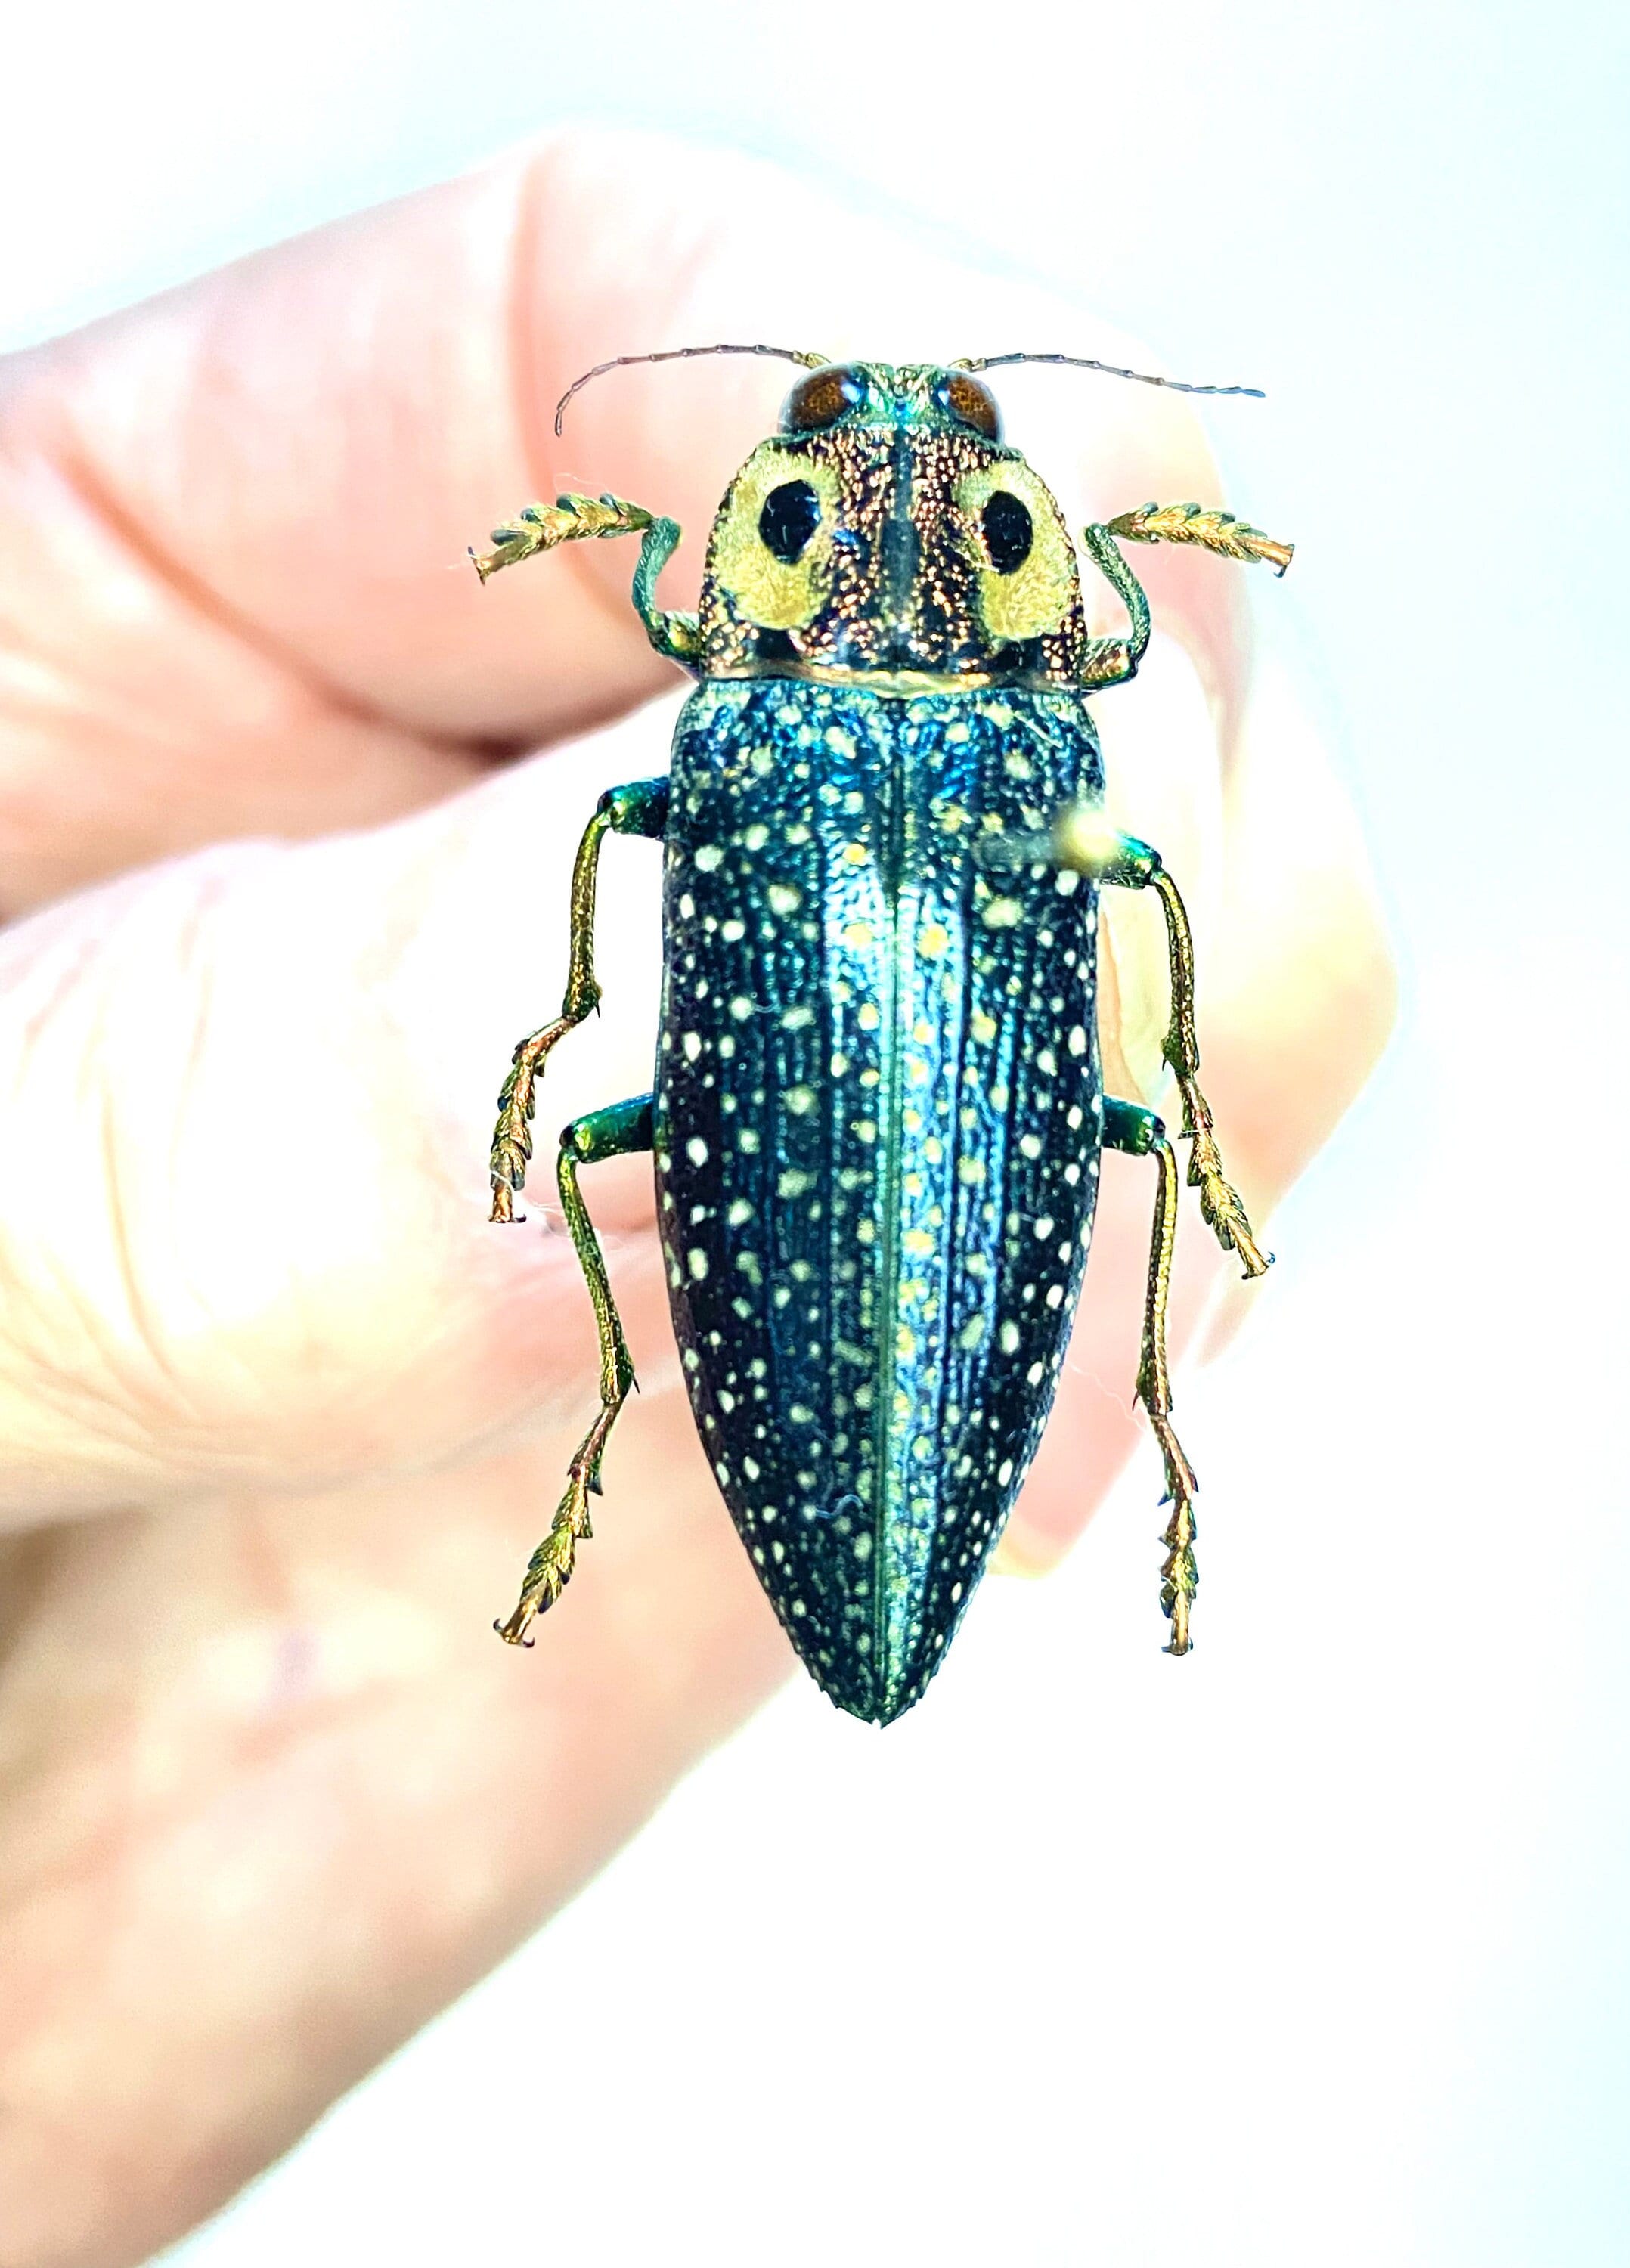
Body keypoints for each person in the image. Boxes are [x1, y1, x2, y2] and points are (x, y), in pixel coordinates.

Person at [0, 125, 1392, 2266]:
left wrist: (576, 996)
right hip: (939, 1226)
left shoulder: (739, 735)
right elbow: (1084, 666)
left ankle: (733, 1412)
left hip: (792, 1238)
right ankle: (1146, 1388)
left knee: (590, 1144)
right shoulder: (1039, 758)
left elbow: (681, 613)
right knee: (1110, 1100)